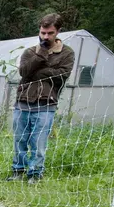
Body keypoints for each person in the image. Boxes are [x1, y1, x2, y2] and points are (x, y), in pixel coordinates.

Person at [6, 13, 75, 184]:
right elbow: (24, 72)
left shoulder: (67, 53)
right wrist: (41, 55)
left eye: (50, 33)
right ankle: (18, 170)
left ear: (58, 31)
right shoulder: (30, 52)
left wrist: (38, 72)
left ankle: (35, 174)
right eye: (43, 32)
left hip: (46, 103)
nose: (45, 36)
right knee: (20, 139)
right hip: (23, 101)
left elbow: (61, 76)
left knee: (39, 142)